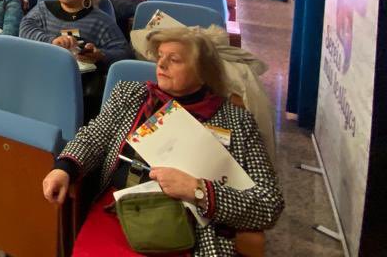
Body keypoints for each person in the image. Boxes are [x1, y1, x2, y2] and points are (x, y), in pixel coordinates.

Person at [41, 28, 284, 256]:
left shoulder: (237, 121)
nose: (161, 64)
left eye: (174, 59)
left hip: (192, 228)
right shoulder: (131, 95)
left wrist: (197, 190)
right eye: (160, 56)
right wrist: (65, 168)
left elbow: (269, 204)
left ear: (203, 72)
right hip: (122, 209)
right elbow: (94, 136)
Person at [20, 0, 132, 116]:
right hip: (40, 72)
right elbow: (25, 29)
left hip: (78, 83)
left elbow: (124, 52)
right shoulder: (43, 8)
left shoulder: (100, 19)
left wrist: (100, 55)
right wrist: (52, 41)